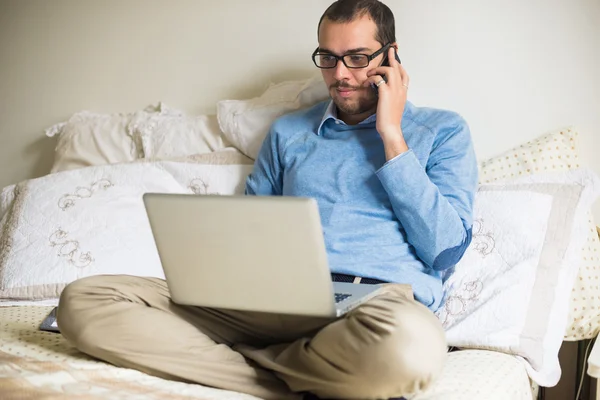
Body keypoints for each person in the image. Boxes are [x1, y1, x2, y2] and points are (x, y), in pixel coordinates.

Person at [56, 0, 478, 399]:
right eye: (328, 58)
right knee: (84, 302)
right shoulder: (288, 133)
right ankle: (292, 375)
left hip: (375, 311)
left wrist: (391, 135)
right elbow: (250, 231)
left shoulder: (442, 131)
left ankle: (251, 366)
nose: (340, 74)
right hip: (274, 302)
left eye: (357, 56)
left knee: (412, 349)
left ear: (391, 56)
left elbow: (443, 250)